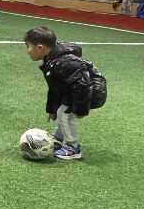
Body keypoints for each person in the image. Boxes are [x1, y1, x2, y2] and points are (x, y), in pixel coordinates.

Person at [24, 26, 107, 160]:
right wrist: (52, 109)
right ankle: (57, 138)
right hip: (75, 91)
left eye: (28, 46)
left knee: (66, 114)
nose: (27, 50)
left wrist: (81, 109)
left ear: (40, 47)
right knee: (62, 111)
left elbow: (83, 85)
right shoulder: (51, 60)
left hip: (92, 91)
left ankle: (73, 148)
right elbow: (55, 88)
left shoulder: (66, 62)